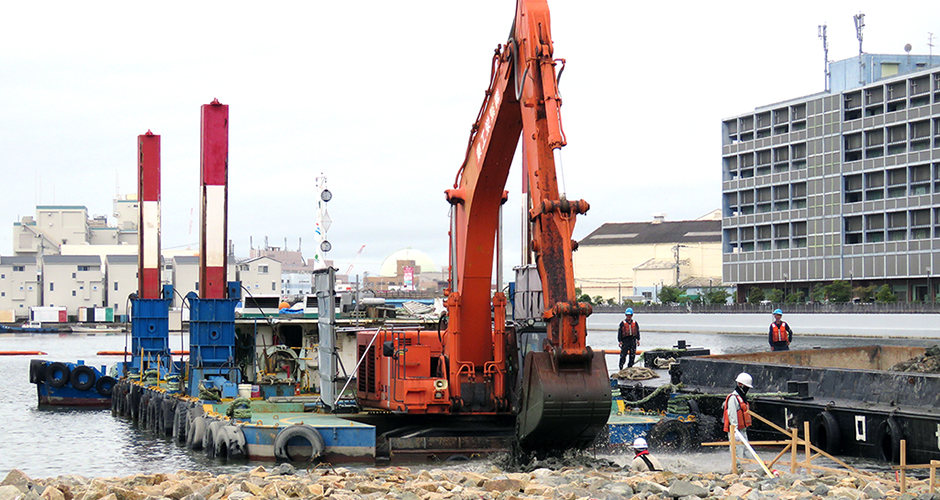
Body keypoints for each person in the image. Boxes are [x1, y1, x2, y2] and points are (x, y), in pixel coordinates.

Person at [724, 372, 753, 462]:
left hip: (743, 431)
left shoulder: (742, 398)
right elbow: (732, 415)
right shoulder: (733, 398)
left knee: (748, 454)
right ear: (740, 384)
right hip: (736, 432)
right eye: (746, 386)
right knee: (738, 454)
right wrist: (735, 431)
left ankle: (747, 470)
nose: (747, 389)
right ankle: (736, 471)